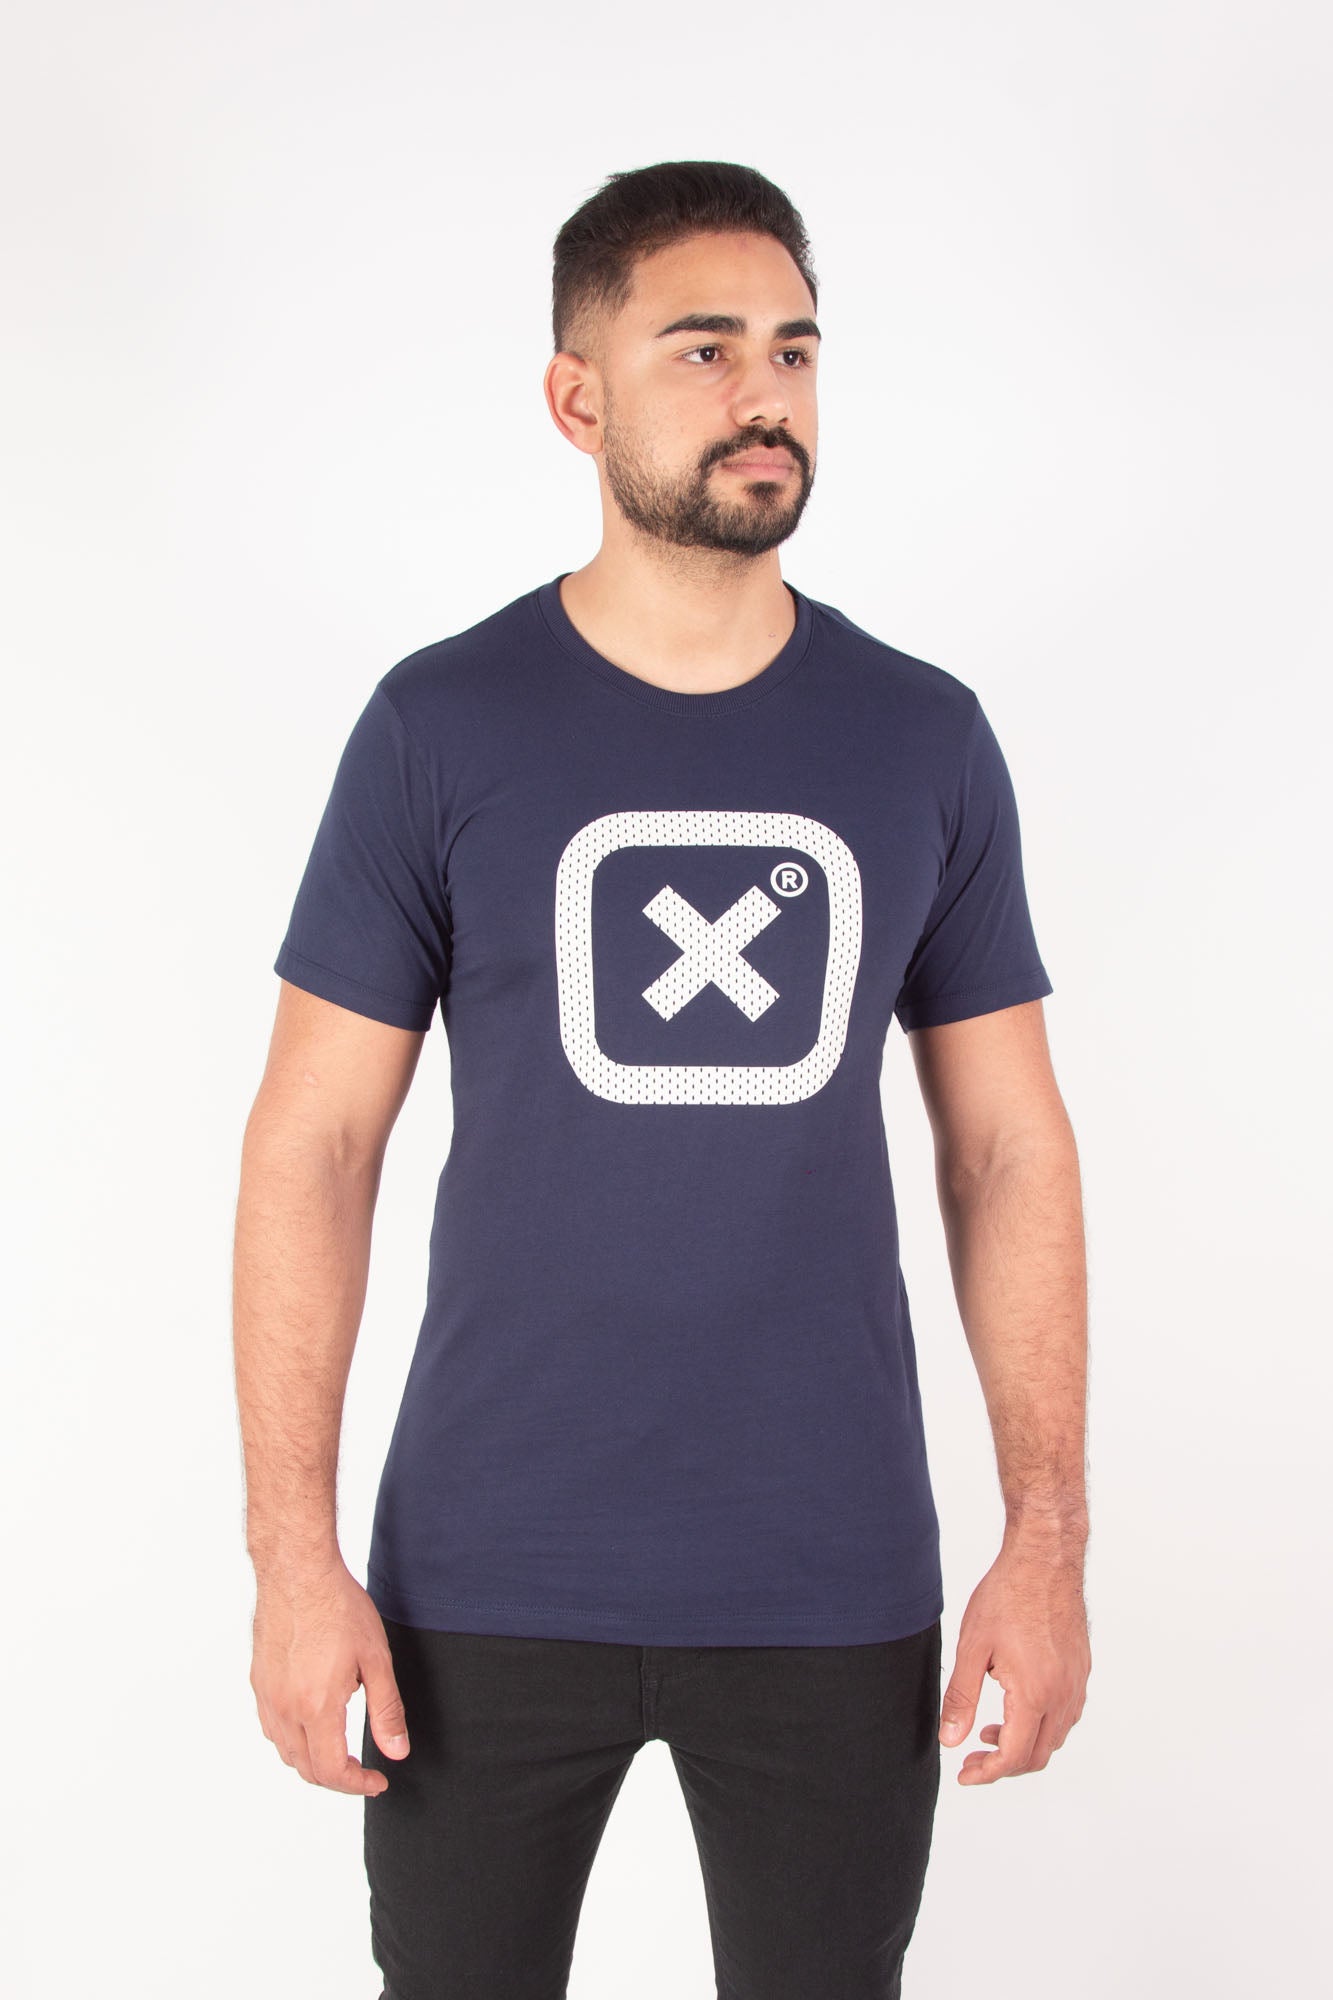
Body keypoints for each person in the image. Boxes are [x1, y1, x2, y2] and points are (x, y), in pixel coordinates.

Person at [233, 158, 1091, 2000]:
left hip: (828, 1578)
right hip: (480, 1575)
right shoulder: (440, 725)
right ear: (577, 398)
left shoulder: (920, 736)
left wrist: (1047, 1543)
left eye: (791, 349)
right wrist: (293, 1562)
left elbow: (1006, 1151)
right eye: (701, 349)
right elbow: (314, 1146)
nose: (761, 393)